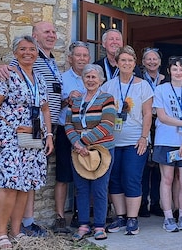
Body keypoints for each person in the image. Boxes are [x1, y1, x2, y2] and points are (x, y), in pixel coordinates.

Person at [0, 36, 54, 249]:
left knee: (26, 185)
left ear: (37, 53)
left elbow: (45, 109)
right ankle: (1, 233)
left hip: (32, 138)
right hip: (9, 137)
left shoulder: (40, 79)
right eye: (23, 49)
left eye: (32, 49)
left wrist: (49, 135)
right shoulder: (7, 75)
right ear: (15, 53)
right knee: (9, 185)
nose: (28, 53)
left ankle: (16, 231)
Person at [0, 22, 62, 237]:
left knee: (28, 179)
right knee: (12, 181)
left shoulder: (48, 64)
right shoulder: (15, 67)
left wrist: (49, 133)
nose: (51, 35)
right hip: (15, 132)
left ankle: (20, 229)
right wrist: (2, 66)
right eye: (46, 32)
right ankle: (11, 229)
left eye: (54, 32)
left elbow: (45, 104)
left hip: (38, 131)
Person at [100, 45, 153, 236]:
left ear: (134, 63)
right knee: (114, 180)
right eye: (123, 60)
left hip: (134, 141)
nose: (127, 63)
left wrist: (144, 138)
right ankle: (120, 216)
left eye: (130, 60)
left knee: (131, 178)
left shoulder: (143, 85)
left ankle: (132, 219)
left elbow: (147, 114)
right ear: (117, 62)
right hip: (112, 141)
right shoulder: (108, 86)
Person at [65, 63, 115, 241]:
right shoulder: (75, 100)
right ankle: (84, 225)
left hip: (102, 150)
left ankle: (100, 226)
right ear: (82, 79)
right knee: (81, 188)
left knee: (100, 188)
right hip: (78, 151)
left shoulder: (107, 99)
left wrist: (84, 142)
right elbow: (68, 123)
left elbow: (107, 124)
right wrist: (77, 144)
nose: (91, 80)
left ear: (101, 80)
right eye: (87, 77)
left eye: (94, 77)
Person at [152, 57, 182, 233]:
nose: (178, 72)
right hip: (166, 141)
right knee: (168, 179)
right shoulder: (160, 89)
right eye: (175, 69)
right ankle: (168, 217)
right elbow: (162, 116)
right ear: (169, 71)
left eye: (181, 69)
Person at [54, 41, 90, 233]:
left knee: (84, 174)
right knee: (63, 175)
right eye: (78, 55)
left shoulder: (93, 78)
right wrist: (67, 100)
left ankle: (80, 214)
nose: (82, 59)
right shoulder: (61, 79)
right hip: (64, 132)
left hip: (86, 133)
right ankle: (60, 217)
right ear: (70, 58)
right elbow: (52, 108)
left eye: (85, 55)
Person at [139, 47, 164, 218]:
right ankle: (141, 204)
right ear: (142, 62)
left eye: (155, 59)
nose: (152, 62)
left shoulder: (166, 80)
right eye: (148, 59)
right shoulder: (139, 80)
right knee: (143, 167)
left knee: (158, 167)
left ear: (160, 62)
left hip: (162, 126)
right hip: (144, 124)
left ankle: (156, 202)